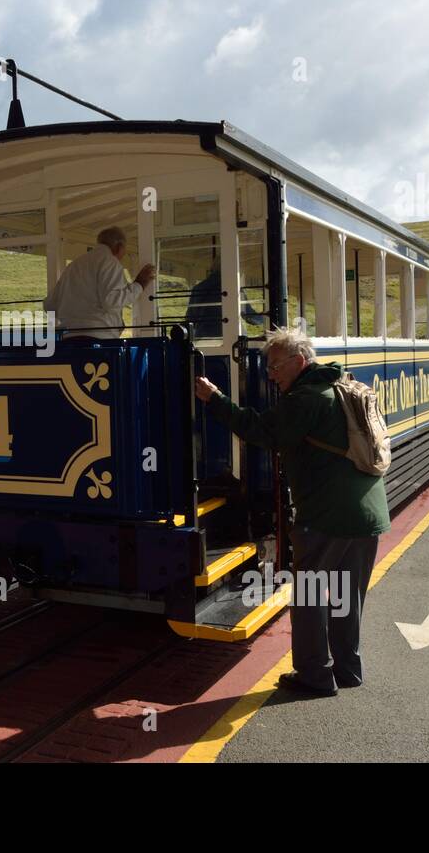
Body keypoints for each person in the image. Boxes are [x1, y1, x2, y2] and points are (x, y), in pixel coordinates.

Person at [194, 325, 390, 697]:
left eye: (275, 366)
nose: (270, 374)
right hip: (367, 514)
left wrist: (215, 399)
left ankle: (315, 675)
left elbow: (263, 432)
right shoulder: (339, 385)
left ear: (299, 362)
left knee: (310, 596)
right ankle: (348, 669)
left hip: (328, 516)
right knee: (348, 593)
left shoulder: (306, 399)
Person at [44, 226, 155, 338]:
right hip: (99, 338)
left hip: (69, 338)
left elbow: (49, 305)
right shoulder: (110, 262)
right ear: (119, 247)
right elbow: (111, 301)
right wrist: (139, 285)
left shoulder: (73, 266)